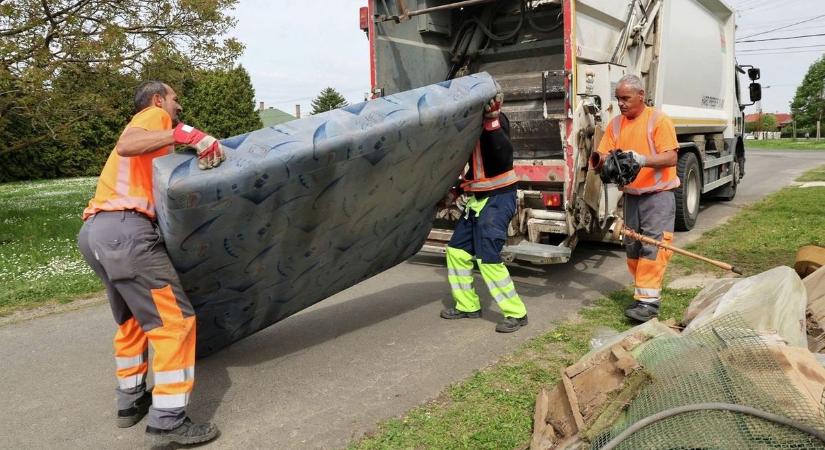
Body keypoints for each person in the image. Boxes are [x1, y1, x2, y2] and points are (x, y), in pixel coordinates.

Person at [77, 81, 226, 447]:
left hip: (97, 233)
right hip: (126, 234)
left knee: (133, 320)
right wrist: (194, 137)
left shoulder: (155, 144)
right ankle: (168, 422)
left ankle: (130, 402)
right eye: (175, 100)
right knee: (173, 322)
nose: (178, 106)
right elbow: (126, 144)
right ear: (158, 100)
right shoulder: (154, 116)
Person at [439, 89, 528, 333]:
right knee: (456, 251)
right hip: (479, 200)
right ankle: (468, 305)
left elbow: (503, 157)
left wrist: (491, 121)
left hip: (499, 199)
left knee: (488, 257)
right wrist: (456, 192)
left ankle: (516, 313)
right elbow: (477, 170)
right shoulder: (471, 129)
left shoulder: (496, 123)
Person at [593, 74, 680, 323]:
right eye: (618, 98)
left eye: (626, 98)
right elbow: (602, 152)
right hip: (632, 197)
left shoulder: (658, 120)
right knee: (633, 247)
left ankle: (648, 303)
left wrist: (641, 159)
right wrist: (601, 162)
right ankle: (643, 294)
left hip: (658, 196)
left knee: (652, 247)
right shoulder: (616, 124)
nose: (621, 103)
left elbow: (670, 158)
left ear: (641, 96)